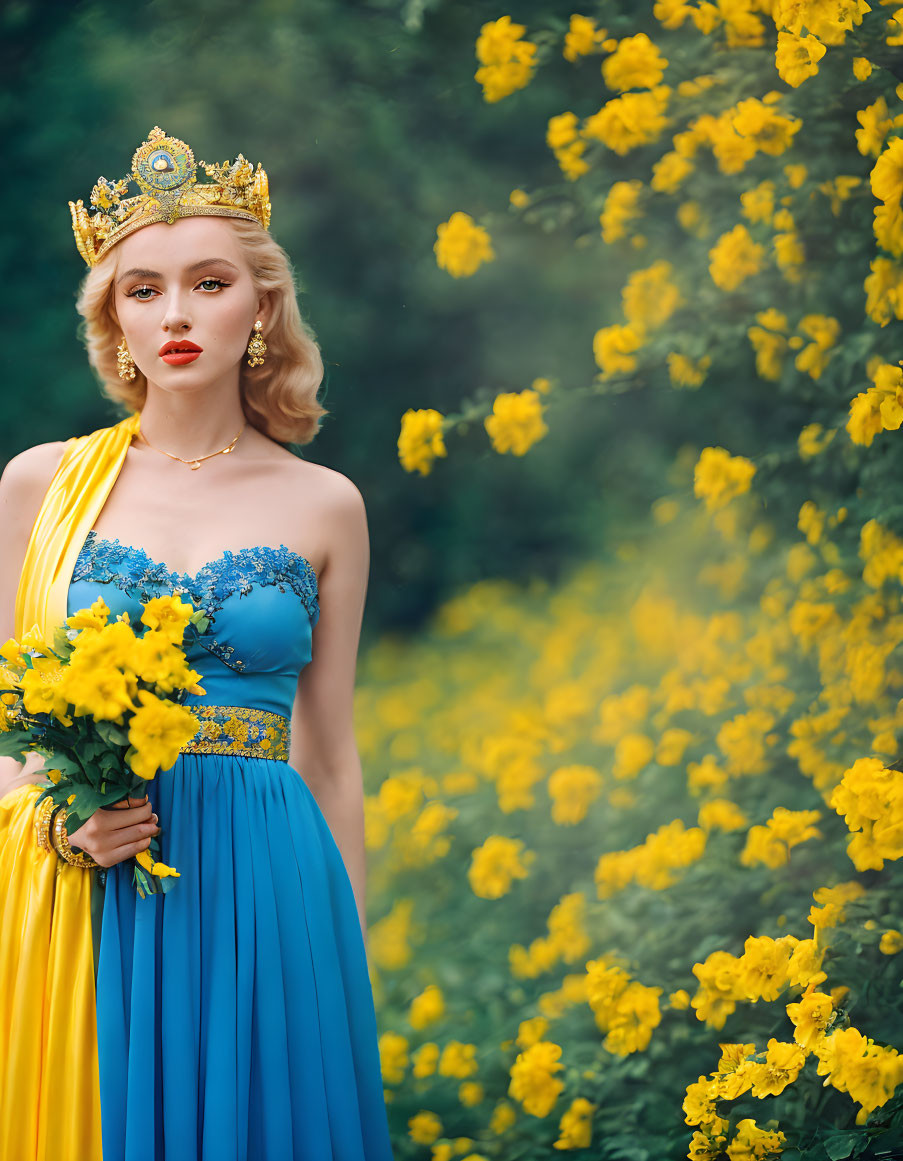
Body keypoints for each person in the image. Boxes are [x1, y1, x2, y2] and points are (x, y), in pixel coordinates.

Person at [0, 127, 395, 1160]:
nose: (175, 314)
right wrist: (54, 825)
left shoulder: (327, 505)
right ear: (113, 317)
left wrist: (345, 950)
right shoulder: (40, 486)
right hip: (100, 875)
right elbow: (6, 731)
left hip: (272, 882)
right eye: (143, 290)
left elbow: (330, 754)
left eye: (209, 283)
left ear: (262, 306)